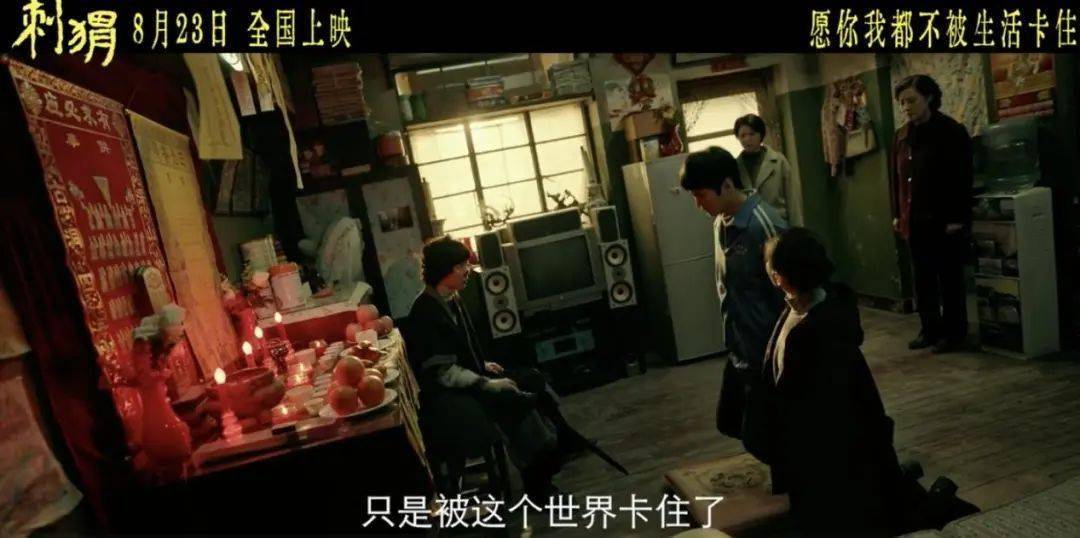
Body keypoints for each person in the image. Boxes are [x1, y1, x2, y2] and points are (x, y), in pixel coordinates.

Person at [745, 228, 922, 535]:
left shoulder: (814, 333)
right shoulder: (815, 311)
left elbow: (809, 412)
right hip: (836, 456)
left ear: (778, 278)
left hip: (827, 464)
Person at [405, 237, 587, 497]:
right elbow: (443, 372)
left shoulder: (452, 298)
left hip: (469, 379)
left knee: (533, 379)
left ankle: (562, 443)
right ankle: (538, 482)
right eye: (460, 266)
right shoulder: (425, 311)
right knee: (516, 400)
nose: (467, 270)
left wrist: (483, 365)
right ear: (443, 270)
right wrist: (489, 384)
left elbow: (461, 350)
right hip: (449, 396)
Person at [679, 147, 787, 440]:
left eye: (701, 195)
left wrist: (782, 352)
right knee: (731, 422)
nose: (698, 205)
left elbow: (792, 296)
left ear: (727, 185)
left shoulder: (764, 226)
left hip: (768, 351)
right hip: (741, 347)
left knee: (768, 435)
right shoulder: (720, 222)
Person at [890, 74, 974, 354]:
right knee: (922, 278)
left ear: (928, 98)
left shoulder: (951, 131)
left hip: (944, 219)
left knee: (949, 278)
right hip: (914, 219)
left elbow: (962, 178)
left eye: (911, 100)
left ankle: (954, 333)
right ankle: (929, 329)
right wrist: (897, 213)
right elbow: (896, 179)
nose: (906, 107)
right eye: (902, 103)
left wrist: (957, 218)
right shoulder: (902, 136)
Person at [734, 114, 802, 225]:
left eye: (752, 134)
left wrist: (797, 228)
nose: (747, 139)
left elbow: (792, 199)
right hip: (750, 227)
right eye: (742, 136)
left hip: (779, 224)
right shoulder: (735, 167)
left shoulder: (778, 161)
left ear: (761, 134)